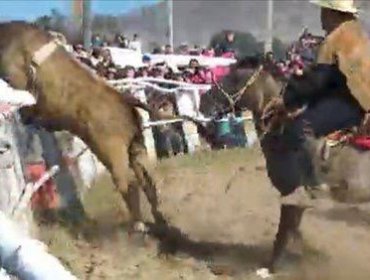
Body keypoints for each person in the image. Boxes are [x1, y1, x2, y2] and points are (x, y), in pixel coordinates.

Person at [265, 0, 370, 207]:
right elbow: (334, 79)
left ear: (333, 13)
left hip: (351, 102)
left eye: (324, 11)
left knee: (299, 126)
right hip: (352, 97)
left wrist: (288, 99)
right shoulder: (355, 34)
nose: (321, 16)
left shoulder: (336, 39)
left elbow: (319, 80)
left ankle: (312, 185)